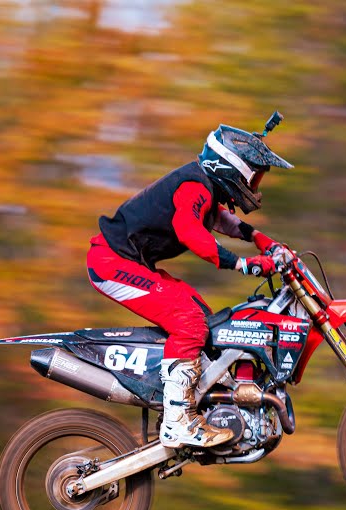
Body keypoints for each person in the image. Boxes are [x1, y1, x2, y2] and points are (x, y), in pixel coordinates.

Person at [86, 116, 292, 448]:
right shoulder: (194, 187)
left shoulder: (204, 189)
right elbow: (191, 232)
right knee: (189, 321)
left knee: (203, 316)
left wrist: (260, 240)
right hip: (111, 263)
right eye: (254, 177)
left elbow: (220, 220)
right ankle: (178, 421)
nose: (255, 186)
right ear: (232, 169)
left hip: (128, 262)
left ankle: (201, 399)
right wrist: (243, 264)